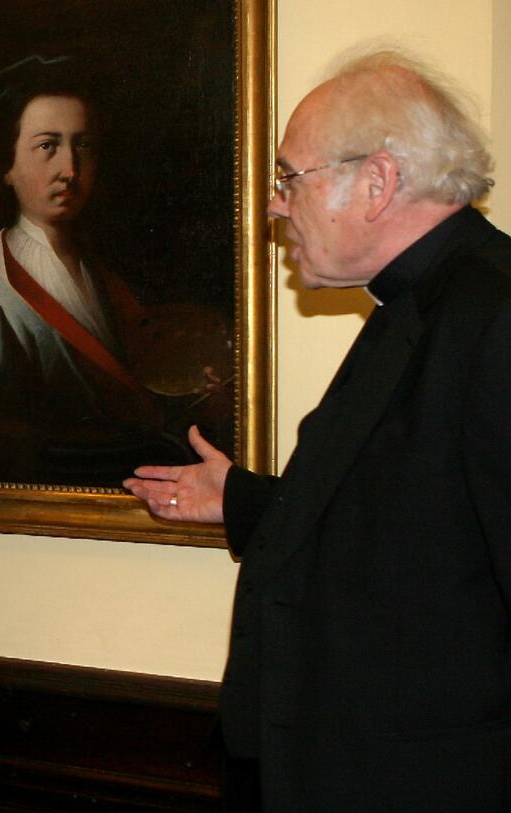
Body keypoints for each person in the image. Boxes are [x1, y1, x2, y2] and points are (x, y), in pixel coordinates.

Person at [124, 48, 511, 811]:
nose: (275, 206)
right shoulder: (416, 305)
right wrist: (242, 499)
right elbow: (410, 526)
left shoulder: (494, 316)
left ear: (377, 181)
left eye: (288, 179)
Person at [0, 55, 228, 484]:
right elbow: (2, 453)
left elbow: (137, 392)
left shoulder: (103, 278)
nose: (69, 170)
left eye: (83, 146)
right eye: (47, 146)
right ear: (8, 165)